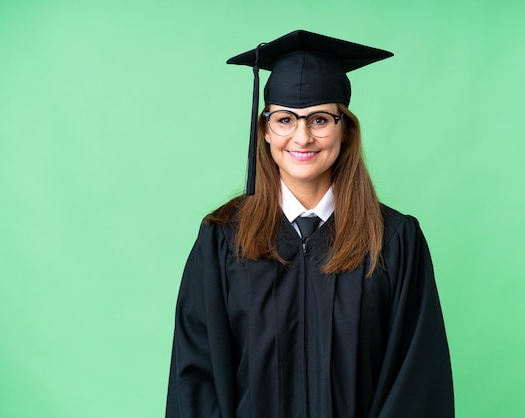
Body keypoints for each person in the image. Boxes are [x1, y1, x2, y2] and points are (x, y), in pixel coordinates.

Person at [166, 30, 454, 418]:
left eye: (320, 119)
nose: (302, 137)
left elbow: (418, 378)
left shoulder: (394, 240)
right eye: (284, 119)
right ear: (265, 130)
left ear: (345, 129)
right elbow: (194, 379)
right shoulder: (222, 239)